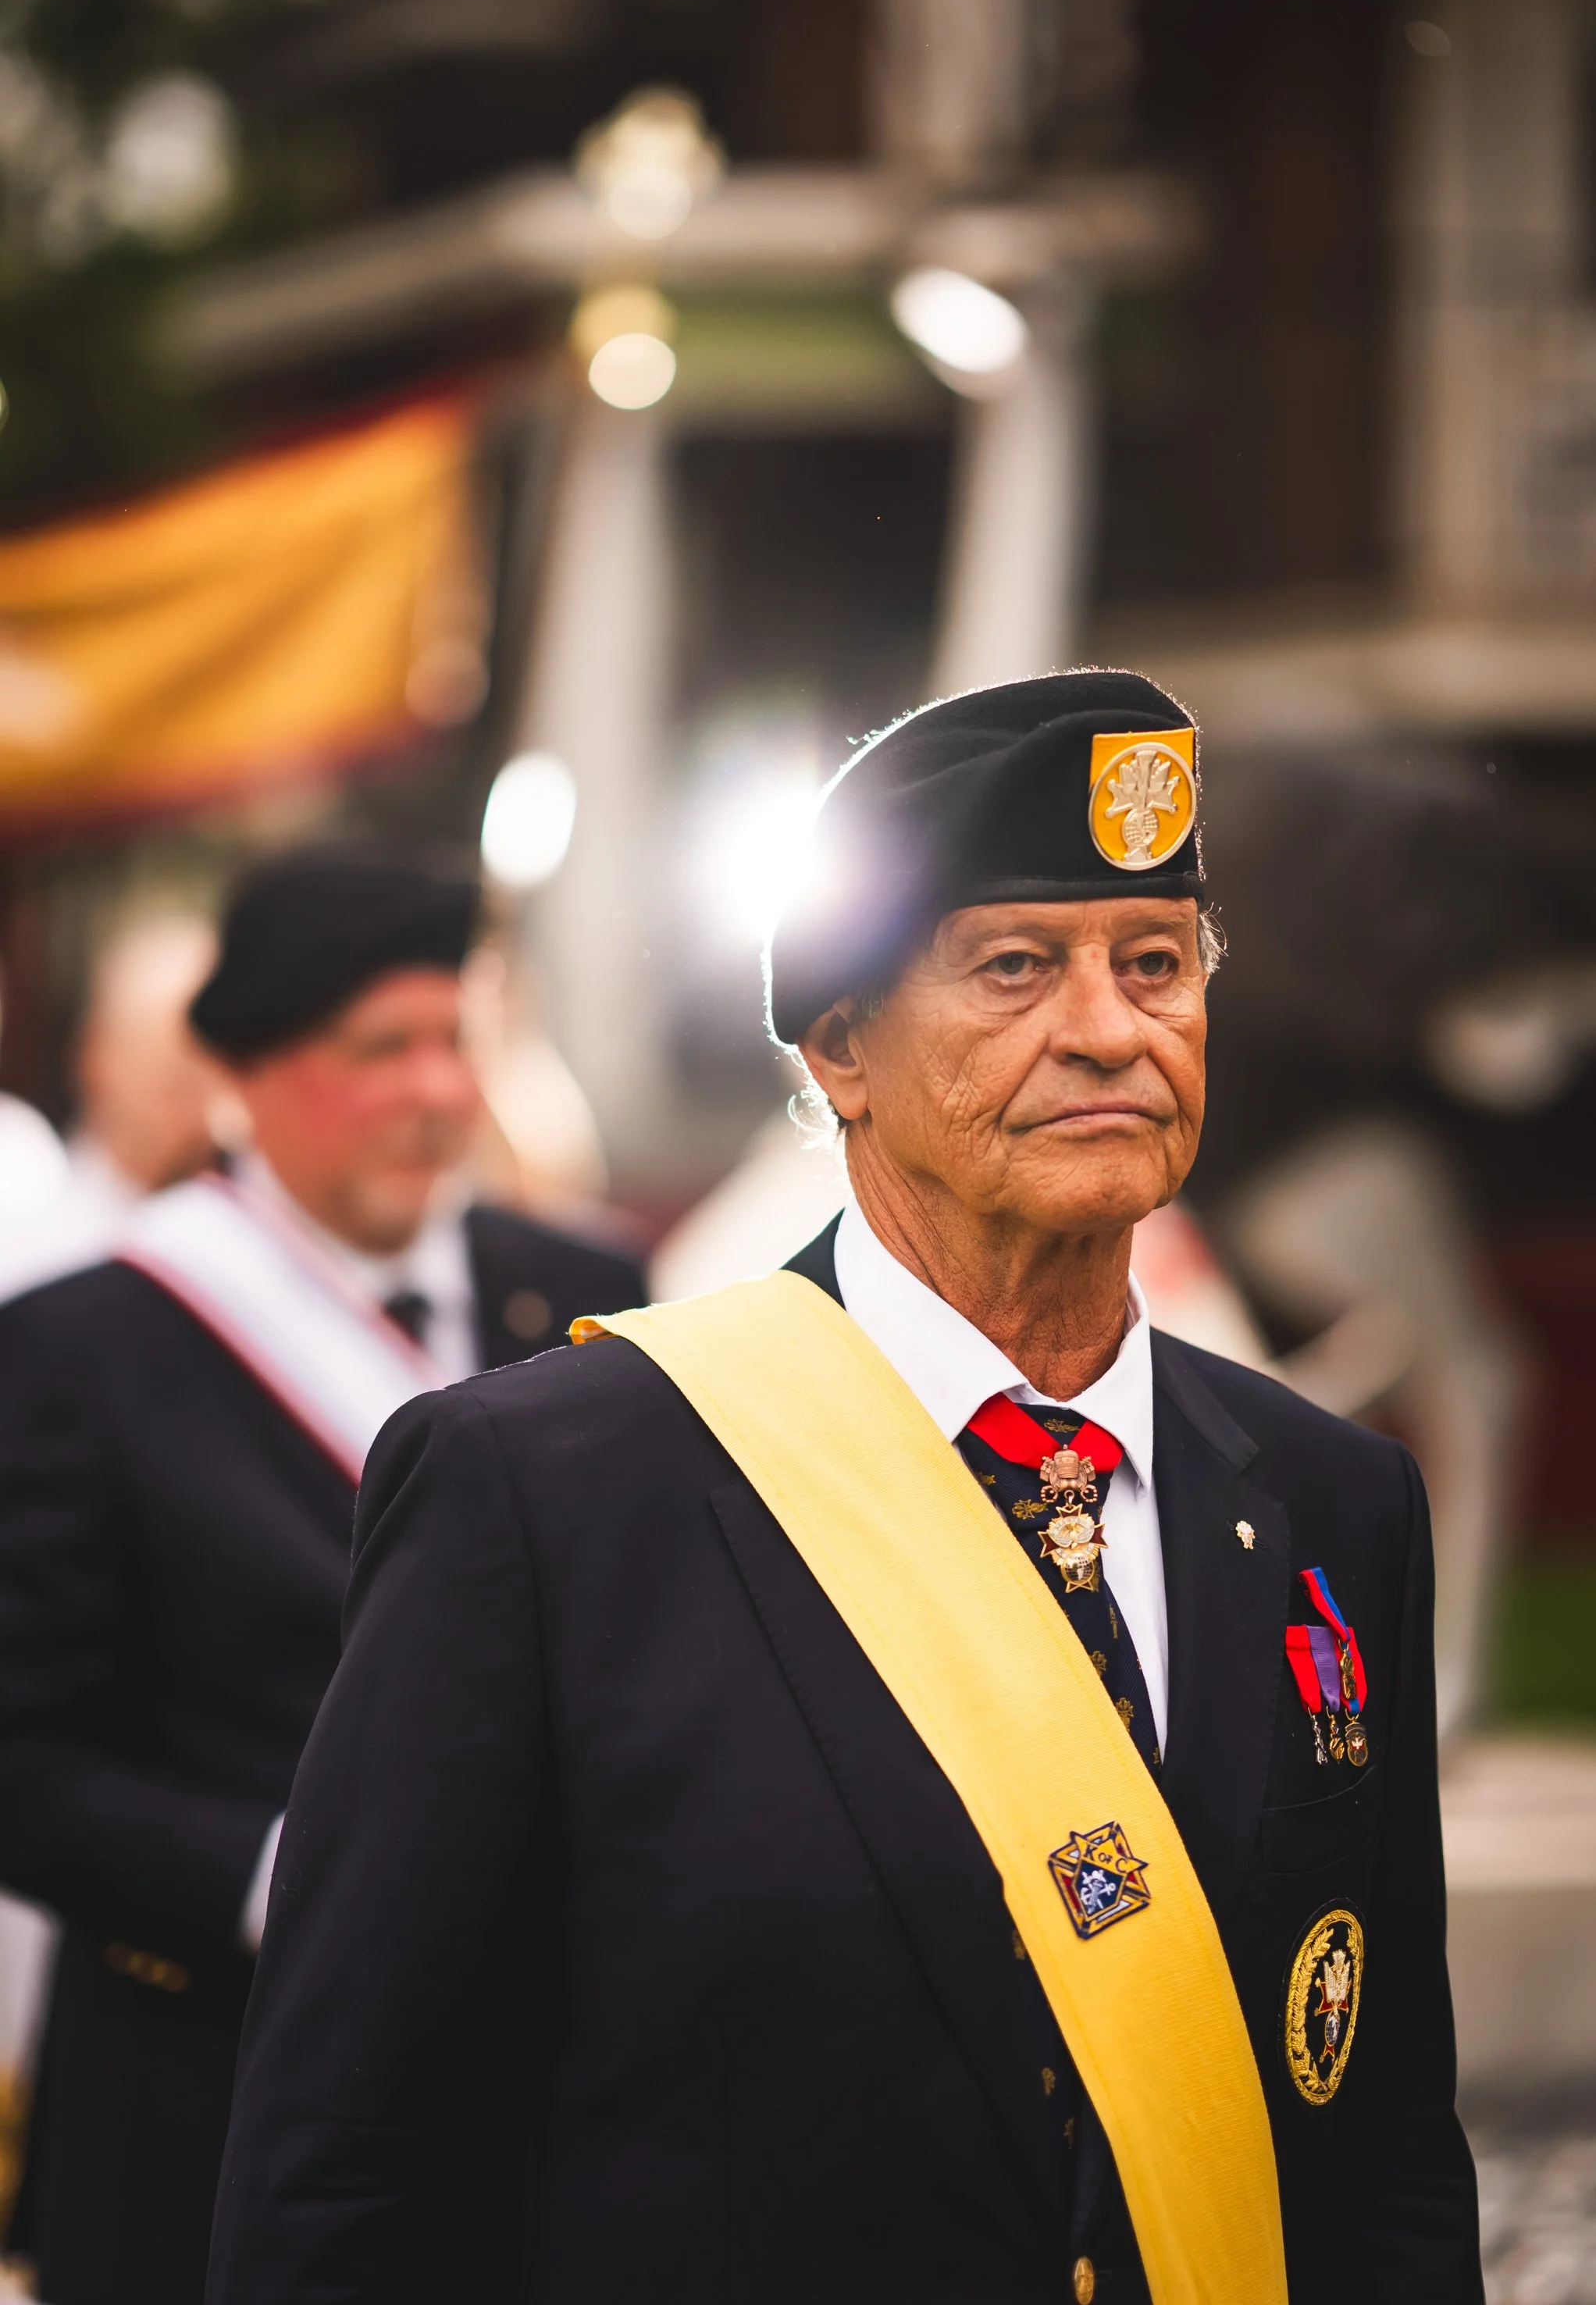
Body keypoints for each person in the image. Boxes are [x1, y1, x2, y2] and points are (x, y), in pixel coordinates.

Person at [206, 681, 1481, 2305]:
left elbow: (1383, 2160)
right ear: (838, 1048)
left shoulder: (1331, 1499)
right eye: (1015, 966)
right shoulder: (547, 1492)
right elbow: (343, 2160)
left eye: (1152, 963)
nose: (1107, 1028)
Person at [0, 843, 647, 2305]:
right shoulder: (80, 1349)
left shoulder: (594, 1297)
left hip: (548, 2094)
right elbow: (21, 1754)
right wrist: (292, 1875)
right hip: (208, 2093)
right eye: (378, 1050)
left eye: (452, 1040)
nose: (435, 1091)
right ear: (246, 1073)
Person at [0, 913, 224, 1307]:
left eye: (221, 1086)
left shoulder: (248, 1247)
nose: (208, 1117)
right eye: (178, 1089)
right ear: (96, 1061)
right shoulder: (28, 1257)